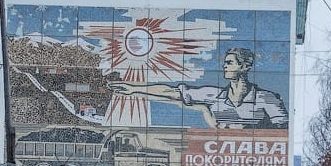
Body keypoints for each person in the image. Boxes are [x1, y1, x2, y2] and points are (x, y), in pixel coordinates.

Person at [108, 47, 288, 129]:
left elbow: (281, 134)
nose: (225, 67)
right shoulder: (213, 94)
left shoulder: (267, 99)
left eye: (230, 63)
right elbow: (171, 92)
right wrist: (134, 88)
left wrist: (245, 130)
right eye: (224, 63)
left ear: (244, 67)